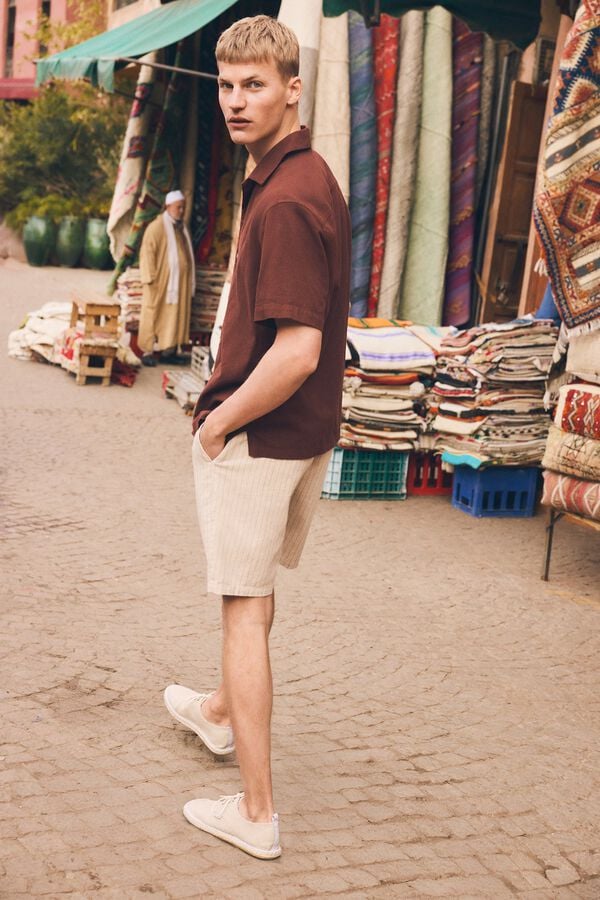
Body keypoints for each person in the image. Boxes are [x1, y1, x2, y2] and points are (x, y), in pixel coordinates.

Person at [163, 15, 351, 860]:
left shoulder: (284, 198)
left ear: (291, 90)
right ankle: (217, 713)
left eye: (255, 86)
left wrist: (217, 425)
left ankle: (257, 811)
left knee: (243, 608)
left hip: (262, 433)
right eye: (228, 86)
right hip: (299, 435)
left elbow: (299, 350)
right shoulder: (304, 173)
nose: (238, 102)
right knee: (254, 594)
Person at [138, 189, 194, 366]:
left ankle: (168, 351)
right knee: (153, 314)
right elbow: (147, 253)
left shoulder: (181, 227)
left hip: (179, 283)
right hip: (160, 281)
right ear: (168, 206)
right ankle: (147, 352)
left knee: (175, 316)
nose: (181, 211)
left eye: (183, 207)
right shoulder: (156, 227)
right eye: (178, 207)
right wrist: (150, 279)